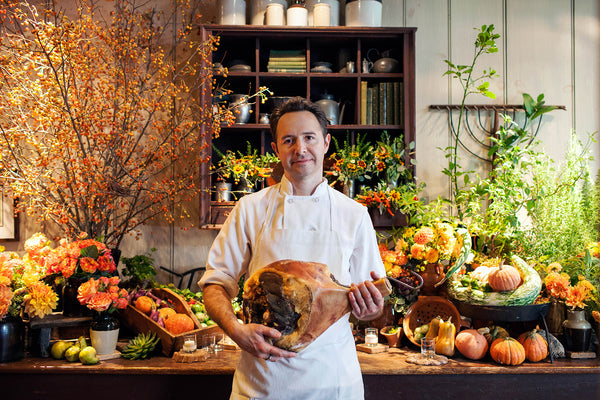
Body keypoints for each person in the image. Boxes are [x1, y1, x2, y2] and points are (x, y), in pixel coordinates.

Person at [199, 97, 386, 400]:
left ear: (326, 143)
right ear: (276, 149)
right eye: (289, 140)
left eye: (309, 138)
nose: (300, 149)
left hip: (333, 383)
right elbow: (215, 282)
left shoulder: (354, 214)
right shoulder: (250, 209)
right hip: (263, 383)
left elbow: (371, 304)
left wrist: (371, 308)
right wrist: (235, 330)